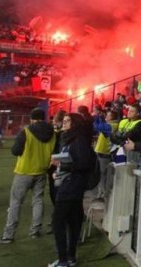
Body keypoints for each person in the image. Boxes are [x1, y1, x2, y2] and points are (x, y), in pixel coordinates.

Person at [0, 108, 56, 244]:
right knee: (38, 200)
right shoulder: (52, 132)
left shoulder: (27, 131)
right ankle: (35, 231)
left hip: (24, 170)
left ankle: (9, 235)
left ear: (32, 118)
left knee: (16, 203)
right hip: (42, 170)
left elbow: (16, 150)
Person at [48, 113, 96, 267]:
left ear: (75, 123)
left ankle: (63, 260)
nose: (64, 123)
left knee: (58, 220)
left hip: (72, 185)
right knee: (73, 220)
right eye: (64, 120)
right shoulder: (69, 138)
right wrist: (59, 168)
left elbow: (83, 164)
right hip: (69, 182)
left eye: (68, 121)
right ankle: (70, 257)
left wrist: (62, 166)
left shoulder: (79, 139)